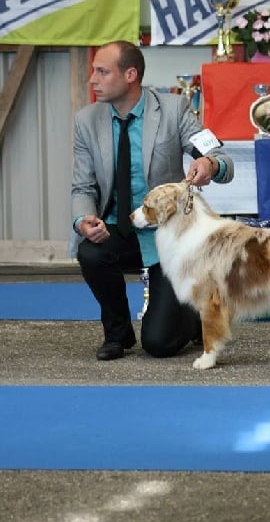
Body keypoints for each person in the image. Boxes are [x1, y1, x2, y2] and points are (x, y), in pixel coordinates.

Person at [69, 40, 234, 361]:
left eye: (102, 72)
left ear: (130, 74)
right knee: (89, 251)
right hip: (121, 227)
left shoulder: (174, 109)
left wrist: (211, 164)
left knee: (160, 345)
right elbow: (82, 187)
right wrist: (83, 220)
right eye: (93, 72)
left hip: (169, 237)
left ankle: (195, 315)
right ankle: (117, 333)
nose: (93, 79)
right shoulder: (86, 121)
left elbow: (219, 157)